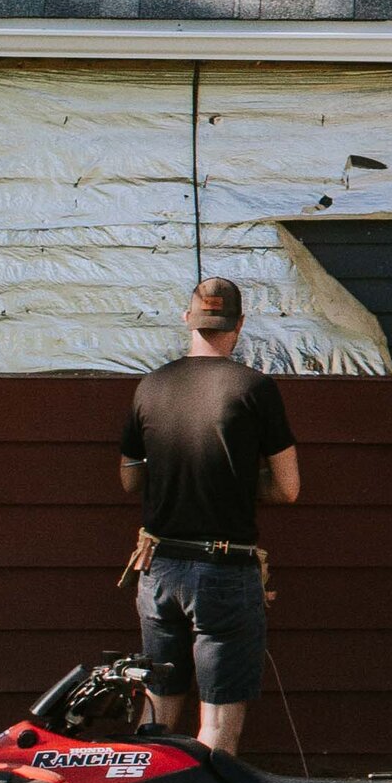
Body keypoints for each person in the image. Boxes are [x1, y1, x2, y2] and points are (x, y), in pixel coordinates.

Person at [117, 277, 302, 756]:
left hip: (158, 568)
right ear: (239, 325)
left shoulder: (150, 386)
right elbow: (288, 487)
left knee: (156, 713)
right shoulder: (255, 388)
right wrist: (234, 482)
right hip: (223, 570)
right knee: (217, 728)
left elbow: (129, 479)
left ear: (187, 319)